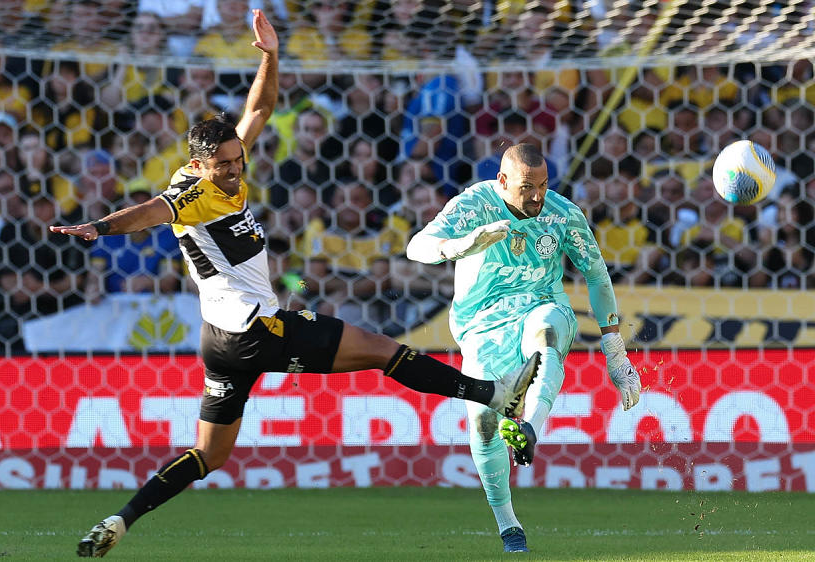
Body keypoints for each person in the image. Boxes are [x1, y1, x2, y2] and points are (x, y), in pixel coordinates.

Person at [50, 12, 540, 558]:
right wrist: (99, 226)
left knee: (209, 455)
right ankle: (497, 395)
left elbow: (258, 109)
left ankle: (120, 520)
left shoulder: (223, 169)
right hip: (260, 330)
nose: (237, 171)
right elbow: (151, 211)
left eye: (239, 160)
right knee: (384, 351)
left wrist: (270, 56)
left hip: (220, 343)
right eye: (226, 165)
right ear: (197, 164)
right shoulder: (193, 194)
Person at [405, 143, 642, 553]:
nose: (538, 195)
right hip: (481, 325)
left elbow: (597, 275)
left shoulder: (562, 214)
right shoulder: (477, 204)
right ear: (502, 181)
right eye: (528, 186)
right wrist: (461, 245)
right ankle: (508, 524)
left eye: (544, 185)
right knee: (482, 424)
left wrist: (615, 351)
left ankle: (529, 428)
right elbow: (417, 247)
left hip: (540, 302)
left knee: (546, 335)